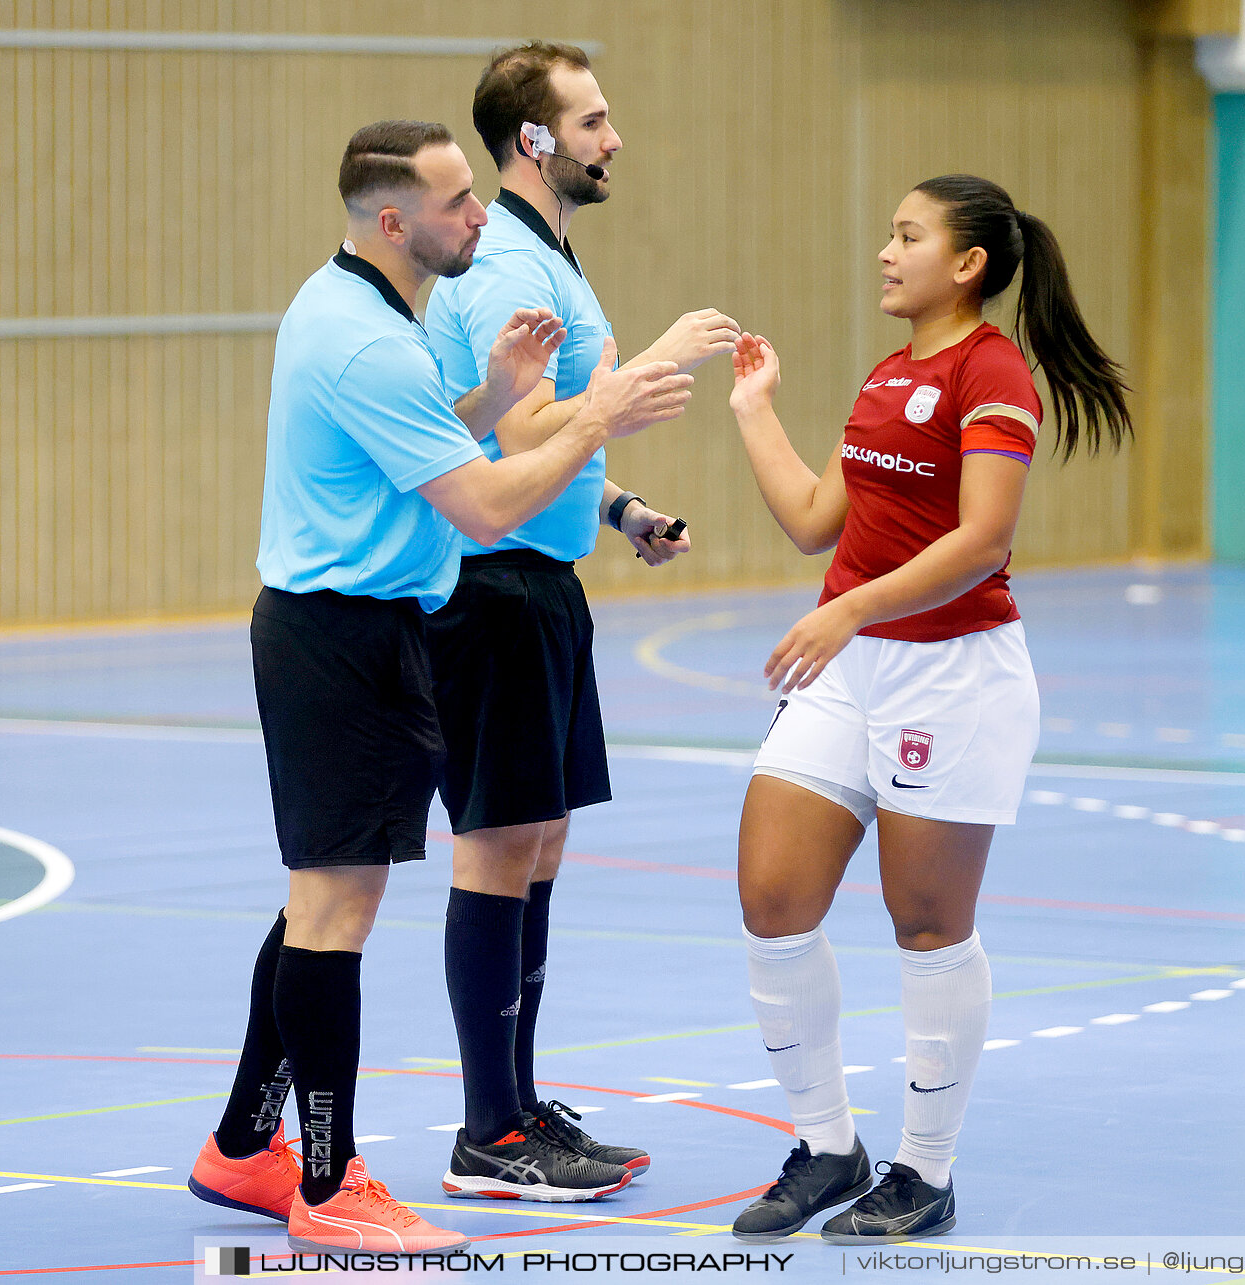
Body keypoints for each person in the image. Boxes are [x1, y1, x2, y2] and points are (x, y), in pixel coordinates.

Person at [184, 119, 692, 1251]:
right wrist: (597, 416)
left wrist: (498, 393)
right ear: (392, 220)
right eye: (459, 202)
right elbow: (486, 507)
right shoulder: (367, 340)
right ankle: (326, 1181)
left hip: (367, 637)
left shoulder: (367, 312)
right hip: (340, 644)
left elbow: (420, 452)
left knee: (316, 904)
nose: (478, 216)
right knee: (332, 914)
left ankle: (240, 1145)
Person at [722, 175, 1130, 1244]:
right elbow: (818, 518)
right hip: (855, 668)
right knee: (772, 893)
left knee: (928, 923)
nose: (884, 253)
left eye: (908, 236)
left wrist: (847, 610)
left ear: (969, 266)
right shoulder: (885, 374)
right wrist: (754, 412)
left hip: (953, 677)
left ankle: (926, 1173)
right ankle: (826, 1146)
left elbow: (983, 539)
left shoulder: (992, 375)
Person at [421, 41, 739, 1202]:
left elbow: (553, 447)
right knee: (498, 844)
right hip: (489, 589)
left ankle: (516, 1101)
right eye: (593, 120)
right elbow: (522, 430)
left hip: (543, 583)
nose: (613, 138)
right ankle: (487, 1133)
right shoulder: (508, 260)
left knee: (538, 841)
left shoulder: (551, 254)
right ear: (536, 141)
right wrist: (649, 365)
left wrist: (616, 507)